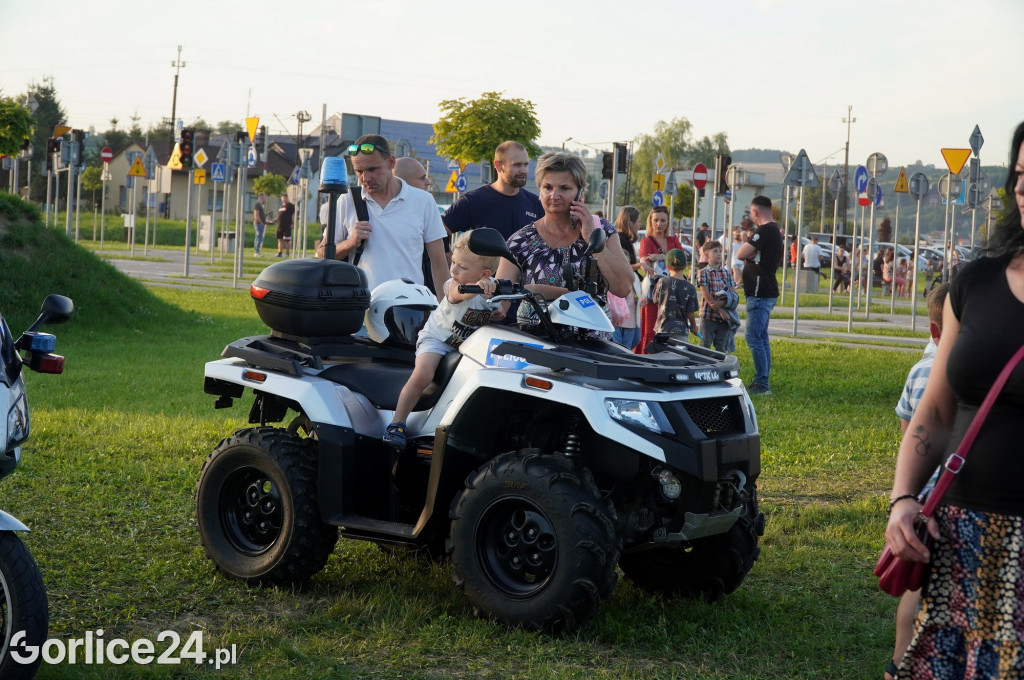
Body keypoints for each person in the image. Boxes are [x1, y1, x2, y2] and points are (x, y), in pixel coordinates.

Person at [884, 121, 1024, 680]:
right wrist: (901, 500)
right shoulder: (978, 283)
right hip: (961, 542)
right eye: (1019, 176)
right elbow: (937, 411)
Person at [885, 283, 949, 680]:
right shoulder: (976, 373)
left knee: (915, 586)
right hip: (960, 497)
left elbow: (911, 434)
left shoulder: (920, 370)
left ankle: (897, 664)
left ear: (932, 330)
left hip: (922, 497)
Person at [383, 231, 500, 449]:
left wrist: (497, 301)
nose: (453, 269)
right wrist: (477, 289)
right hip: (436, 339)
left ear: (484, 273)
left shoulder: (491, 288)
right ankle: (397, 423)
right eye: (452, 262)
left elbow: (498, 310)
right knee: (424, 373)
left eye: (462, 267)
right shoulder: (453, 285)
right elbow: (459, 294)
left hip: (465, 346)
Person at [494, 151, 633, 334]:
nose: (554, 195)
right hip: (538, 349)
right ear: (539, 191)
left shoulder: (603, 231)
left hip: (593, 349)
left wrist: (591, 237)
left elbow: (624, 287)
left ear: (580, 193)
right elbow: (499, 301)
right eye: (548, 187)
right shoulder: (520, 241)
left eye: (565, 188)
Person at [316, 134, 448, 296]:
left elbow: (439, 262)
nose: (366, 178)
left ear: (391, 162)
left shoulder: (423, 201)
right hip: (362, 308)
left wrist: (444, 312)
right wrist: (350, 243)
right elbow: (321, 254)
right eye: (359, 171)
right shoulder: (347, 200)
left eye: (372, 169)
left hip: (411, 309)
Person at [442, 141, 544, 240]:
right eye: (517, 165)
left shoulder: (536, 204)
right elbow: (439, 230)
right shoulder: (473, 201)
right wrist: (447, 255)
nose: (523, 170)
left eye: (526, 165)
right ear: (499, 166)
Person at [736, 195, 781, 395]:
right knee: (761, 337)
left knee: (754, 337)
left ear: (755, 212)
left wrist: (750, 253)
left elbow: (741, 253)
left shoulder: (765, 230)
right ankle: (763, 380)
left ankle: (762, 383)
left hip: (760, 291)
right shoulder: (774, 230)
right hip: (765, 290)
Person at [636, 206, 683, 354]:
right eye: (656, 220)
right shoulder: (646, 241)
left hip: (672, 293)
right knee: (650, 328)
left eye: (663, 220)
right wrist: (670, 258)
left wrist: (662, 257)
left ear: (668, 222)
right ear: (650, 221)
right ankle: (647, 359)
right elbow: (645, 265)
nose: (659, 224)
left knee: (668, 329)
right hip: (653, 292)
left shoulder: (673, 240)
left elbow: (681, 260)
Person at [697, 239, 738, 352]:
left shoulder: (727, 273)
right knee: (705, 345)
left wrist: (723, 303)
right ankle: (703, 367)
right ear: (707, 255)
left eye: (720, 251)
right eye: (715, 251)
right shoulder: (703, 272)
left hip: (724, 319)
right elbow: (706, 294)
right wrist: (720, 309)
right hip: (708, 316)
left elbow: (733, 294)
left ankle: (718, 367)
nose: (719, 254)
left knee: (721, 347)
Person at [650, 248, 699, 343]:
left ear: (668, 266)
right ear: (685, 266)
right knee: (678, 357)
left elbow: (655, 300)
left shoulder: (662, 282)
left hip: (663, 328)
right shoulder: (690, 288)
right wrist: (693, 326)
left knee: (662, 356)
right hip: (681, 330)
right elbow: (690, 312)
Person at [612, 205, 643, 350]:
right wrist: (641, 266)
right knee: (622, 343)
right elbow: (623, 267)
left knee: (631, 339)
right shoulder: (620, 240)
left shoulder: (623, 239)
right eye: (638, 221)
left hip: (627, 305)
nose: (639, 225)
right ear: (630, 222)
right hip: (620, 302)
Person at [275, 193, 295, 258]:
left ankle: (287, 253)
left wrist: (293, 223)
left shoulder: (290, 206)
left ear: (287, 198)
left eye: (285, 198)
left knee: (287, 240)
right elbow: (279, 216)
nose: (284, 199)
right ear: (281, 199)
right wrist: (275, 220)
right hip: (280, 226)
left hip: (287, 226)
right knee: (280, 240)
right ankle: (279, 253)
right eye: (283, 198)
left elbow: (293, 215)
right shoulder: (281, 207)